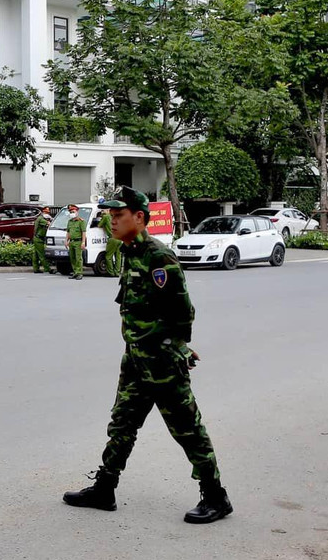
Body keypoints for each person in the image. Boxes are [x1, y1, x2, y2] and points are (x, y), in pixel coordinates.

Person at [63, 186, 232, 524]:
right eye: (110, 216)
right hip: (136, 360)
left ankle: (216, 496)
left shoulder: (158, 256)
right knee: (122, 423)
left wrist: (173, 349)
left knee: (187, 429)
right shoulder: (130, 252)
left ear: (138, 218)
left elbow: (183, 312)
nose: (111, 222)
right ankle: (105, 488)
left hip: (163, 363)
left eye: (118, 215)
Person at [100, 199, 123, 277]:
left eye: (104, 209)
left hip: (112, 238)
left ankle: (111, 272)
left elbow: (99, 225)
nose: (102, 210)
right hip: (119, 238)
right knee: (118, 256)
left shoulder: (106, 217)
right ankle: (117, 272)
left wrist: (101, 216)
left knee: (108, 256)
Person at [65, 203, 88, 280]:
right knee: (72, 258)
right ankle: (75, 272)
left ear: (77, 212)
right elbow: (68, 232)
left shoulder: (81, 222)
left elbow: (83, 232)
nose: (72, 213)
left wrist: (83, 242)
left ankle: (79, 273)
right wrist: (66, 240)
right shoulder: (70, 221)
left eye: (73, 212)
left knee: (78, 258)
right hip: (71, 242)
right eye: (70, 212)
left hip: (78, 241)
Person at [31, 206, 52, 274]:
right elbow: (50, 224)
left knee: (36, 254)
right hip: (39, 239)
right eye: (46, 212)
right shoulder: (42, 219)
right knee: (41, 254)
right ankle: (48, 269)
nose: (48, 213)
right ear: (43, 212)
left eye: (48, 212)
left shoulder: (41, 218)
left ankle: (36, 268)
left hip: (37, 238)